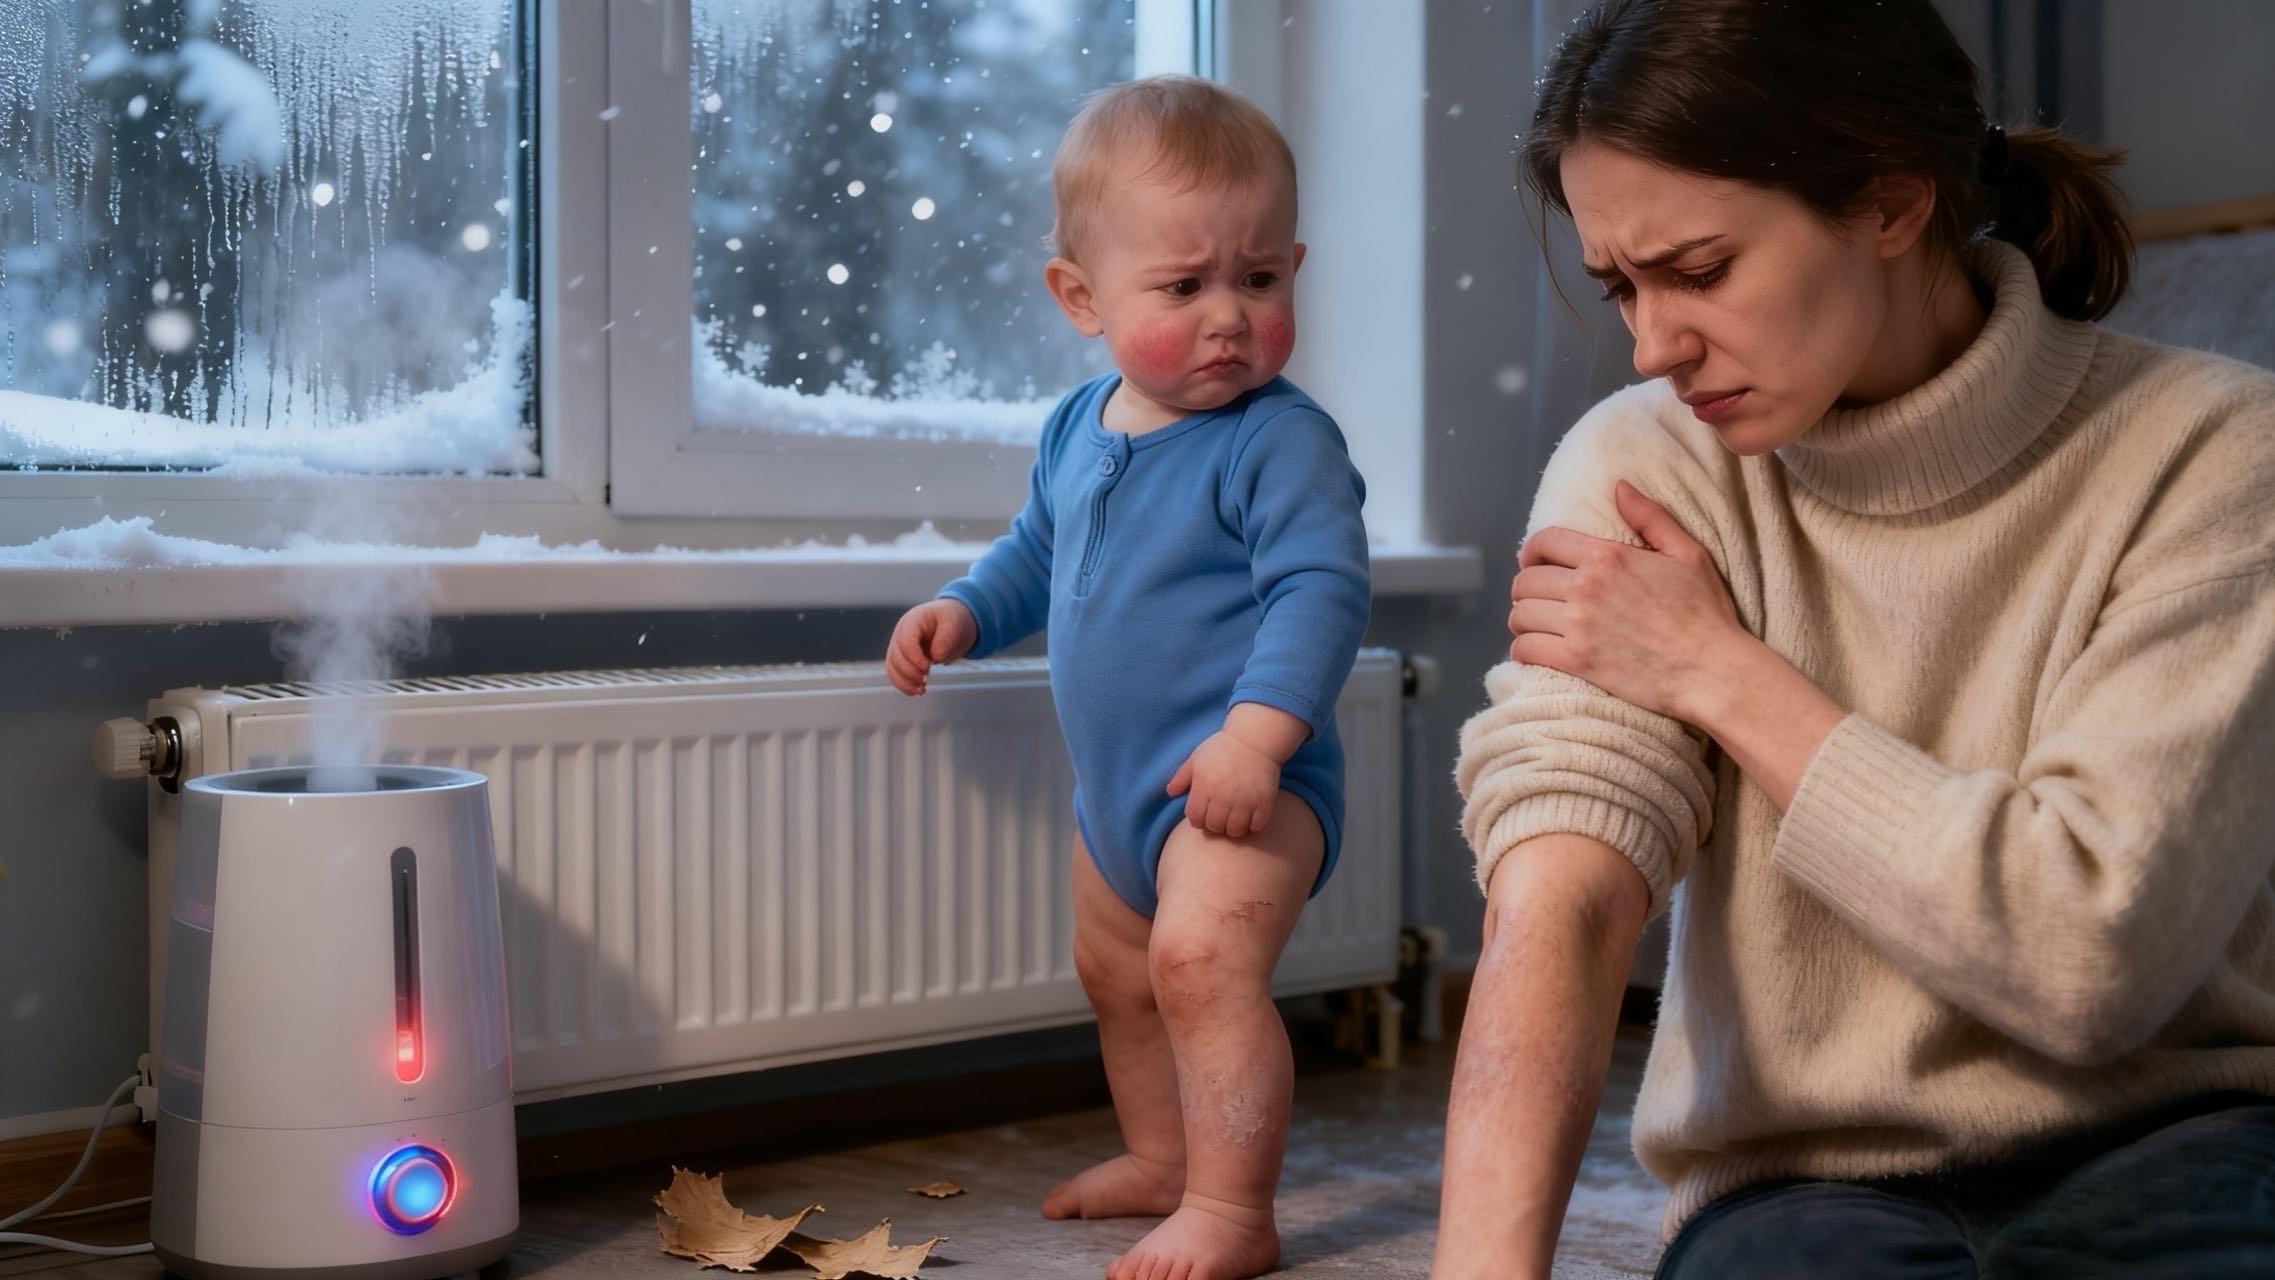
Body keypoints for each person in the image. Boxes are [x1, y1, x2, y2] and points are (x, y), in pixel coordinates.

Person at [1434, 2, 2275, 1278]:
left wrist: (1717, 670)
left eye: (1700, 270)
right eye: (1620, 285)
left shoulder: (2214, 452)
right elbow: (1564, 897)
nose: (1653, 346)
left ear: (1891, 202)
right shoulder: (1645, 463)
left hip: (2184, 1133)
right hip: (1806, 1184)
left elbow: (2086, 957)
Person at [883, 75, 1371, 1280]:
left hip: (1246, 779)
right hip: (1115, 799)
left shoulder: (1278, 439)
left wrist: (1256, 738)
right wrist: (964, 608)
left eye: (1259, 279)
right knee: (1119, 977)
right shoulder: (1076, 426)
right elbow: (1037, 553)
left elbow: (1321, 592)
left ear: (1296, 270)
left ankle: (1231, 1204)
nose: (1229, 316)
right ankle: (1162, 1157)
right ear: (1081, 298)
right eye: (1184, 286)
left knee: (1201, 968)